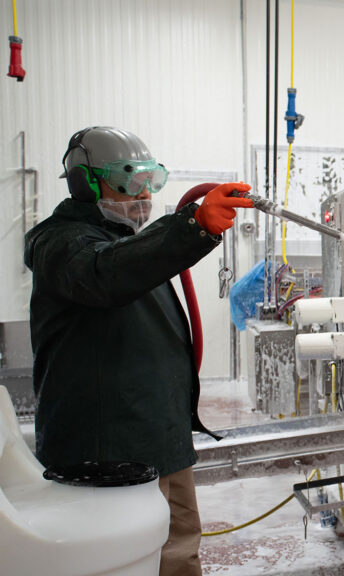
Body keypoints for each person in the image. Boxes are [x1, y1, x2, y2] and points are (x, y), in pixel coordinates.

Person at [23, 126, 253, 575]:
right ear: (85, 182)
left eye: (152, 180)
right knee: (119, 559)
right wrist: (194, 226)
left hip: (161, 438)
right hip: (106, 451)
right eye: (128, 180)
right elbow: (105, 274)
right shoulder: (62, 242)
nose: (144, 194)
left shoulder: (129, 240)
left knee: (178, 550)